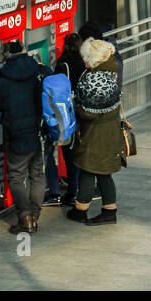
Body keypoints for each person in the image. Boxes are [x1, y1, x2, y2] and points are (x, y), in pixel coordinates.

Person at [0, 40, 45, 235]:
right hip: (35, 131)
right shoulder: (36, 71)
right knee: (36, 174)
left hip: (16, 134)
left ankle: (25, 218)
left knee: (16, 176)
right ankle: (35, 215)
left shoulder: (0, 80)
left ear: (4, 55)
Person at [67, 35, 124, 226]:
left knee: (87, 169)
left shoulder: (93, 79)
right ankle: (109, 210)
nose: (83, 61)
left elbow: (88, 112)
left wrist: (75, 102)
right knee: (104, 172)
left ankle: (80, 210)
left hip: (94, 134)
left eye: (86, 58)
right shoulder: (111, 71)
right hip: (110, 131)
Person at [53, 33, 85, 207]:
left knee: (69, 152)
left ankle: (73, 191)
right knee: (79, 151)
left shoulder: (62, 64)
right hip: (82, 111)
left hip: (67, 113)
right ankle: (79, 186)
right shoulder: (84, 62)